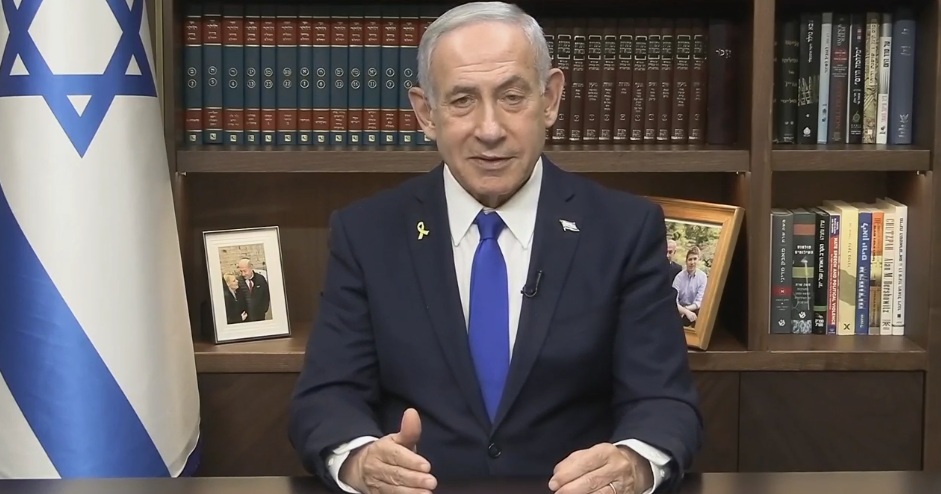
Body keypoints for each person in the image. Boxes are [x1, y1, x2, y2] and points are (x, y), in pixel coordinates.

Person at [288, 3, 702, 494]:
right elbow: (326, 397)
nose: (490, 129)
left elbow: (664, 401)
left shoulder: (625, 229)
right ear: (426, 113)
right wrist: (360, 460)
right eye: (462, 100)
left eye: (512, 97)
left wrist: (633, 463)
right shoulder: (367, 233)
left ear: (550, 99)